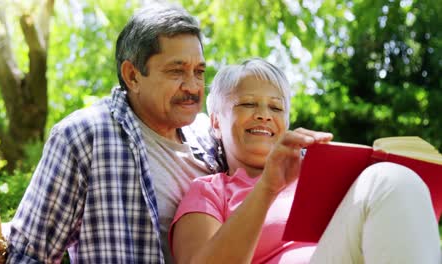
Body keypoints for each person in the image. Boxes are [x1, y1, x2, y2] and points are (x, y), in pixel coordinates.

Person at [6, 3, 224, 263]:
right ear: (132, 76)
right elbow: (28, 256)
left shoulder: (212, 136)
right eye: (176, 71)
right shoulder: (83, 137)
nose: (192, 86)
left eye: (199, 72)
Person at [170, 58, 441, 263]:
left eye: (276, 107)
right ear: (216, 122)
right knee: (387, 179)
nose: (264, 115)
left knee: (397, 178)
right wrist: (267, 187)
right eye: (248, 104)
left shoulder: (315, 175)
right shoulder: (209, 191)